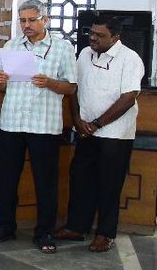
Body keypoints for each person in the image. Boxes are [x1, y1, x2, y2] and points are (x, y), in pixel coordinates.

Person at [0, 0, 76, 254]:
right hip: (12, 121)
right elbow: (1, 87)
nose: (26, 25)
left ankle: (44, 232)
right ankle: (5, 226)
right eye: (22, 20)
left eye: (31, 20)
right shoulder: (12, 45)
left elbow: (70, 87)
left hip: (44, 125)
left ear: (45, 20)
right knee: (7, 178)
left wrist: (49, 82)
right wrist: (0, 80)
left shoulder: (62, 48)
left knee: (45, 181)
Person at [55, 14, 144, 252]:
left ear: (116, 36)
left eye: (100, 35)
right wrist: (76, 119)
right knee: (80, 179)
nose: (93, 38)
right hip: (85, 131)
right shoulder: (84, 54)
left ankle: (105, 233)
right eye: (91, 33)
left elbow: (128, 97)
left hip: (114, 134)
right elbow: (74, 87)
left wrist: (96, 123)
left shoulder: (130, 59)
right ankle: (76, 227)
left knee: (109, 184)